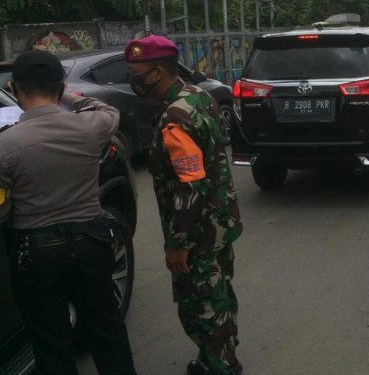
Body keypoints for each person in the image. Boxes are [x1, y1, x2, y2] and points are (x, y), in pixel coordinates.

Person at [0, 50, 136, 375]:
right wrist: (73, 99)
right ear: (60, 89)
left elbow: (2, 211)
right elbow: (107, 110)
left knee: (52, 344)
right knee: (108, 331)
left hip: (36, 256)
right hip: (92, 244)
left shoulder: (5, 146)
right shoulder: (90, 127)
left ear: (14, 88)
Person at [124, 35, 243, 375]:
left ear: (158, 73)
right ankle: (218, 359)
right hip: (218, 220)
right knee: (218, 292)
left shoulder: (175, 118)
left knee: (201, 305)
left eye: (136, 73)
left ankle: (220, 366)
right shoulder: (197, 95)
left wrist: (178, 244)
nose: (132, 80)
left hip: (198, 230)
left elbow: (189, 187)